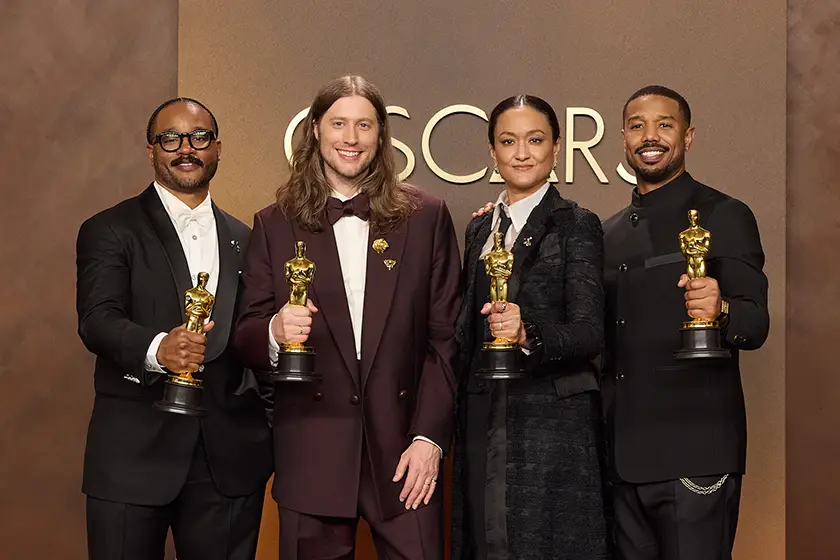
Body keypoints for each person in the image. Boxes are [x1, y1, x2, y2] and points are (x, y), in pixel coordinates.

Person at [233, 75, 460, 560]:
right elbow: (245, 336)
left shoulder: (427, 218)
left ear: (382, 135)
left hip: (405, 456)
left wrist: (429, 439)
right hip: (311, 451)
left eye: (364, 125)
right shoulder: (273, 223)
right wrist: (274, 331)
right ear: (315, 129)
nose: (351, 138)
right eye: (339, 124)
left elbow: (446, 340)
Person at [75, 97, 273, 560]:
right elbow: (96, 320)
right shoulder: (108, 228)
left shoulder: (248, 239)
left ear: (217, 148)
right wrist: (158, 347)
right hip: (131, 458)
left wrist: (264, 433)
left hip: (228, 464)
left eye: (199, 137)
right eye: (170, 138)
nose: (186, 148)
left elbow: (253, 338)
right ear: (151, 150)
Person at [600, 85, 769, 559]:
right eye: (637, 126)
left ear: (688, 137)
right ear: (623, 139)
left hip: (695, 456)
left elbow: (755, 324)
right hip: (620, 462)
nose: (649, 136)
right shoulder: (606, 232)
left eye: (664, 125)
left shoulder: (726, 214)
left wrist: (723, 309)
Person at [450, 94, 609, 559]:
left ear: (557, 147)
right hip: (483, 416)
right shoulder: (479, 230)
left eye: (535, 139)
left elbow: (589, 332)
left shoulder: (577, 224)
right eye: (508, 140)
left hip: (551, 428)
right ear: (492, 152)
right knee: (483, 542)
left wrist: (528, 333)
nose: (522, 152)